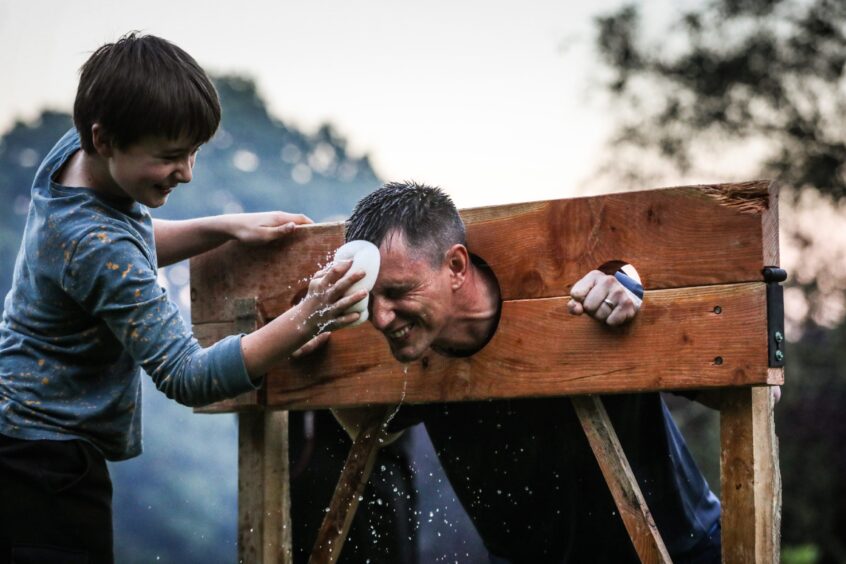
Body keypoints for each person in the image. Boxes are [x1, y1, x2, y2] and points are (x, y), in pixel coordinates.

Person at [0, 33, 366, 563]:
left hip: (17, 437)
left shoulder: (73, 157)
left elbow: (121, 242)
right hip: (44, 469)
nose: (188, 172)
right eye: (171, 156)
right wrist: (310, 315)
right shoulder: (92, 244)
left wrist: (225, 227)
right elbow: (188, 376)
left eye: (193, 152)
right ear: (104, 139)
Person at [338, 181, 723, 563]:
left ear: (455, 266)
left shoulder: (595, 292)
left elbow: (741, 378)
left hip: (677, 551)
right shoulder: (407, 350)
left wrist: (631, 297)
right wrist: (314, 351)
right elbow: (372, 429)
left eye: (399, 291)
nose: (381, 317)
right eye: (369, 298)